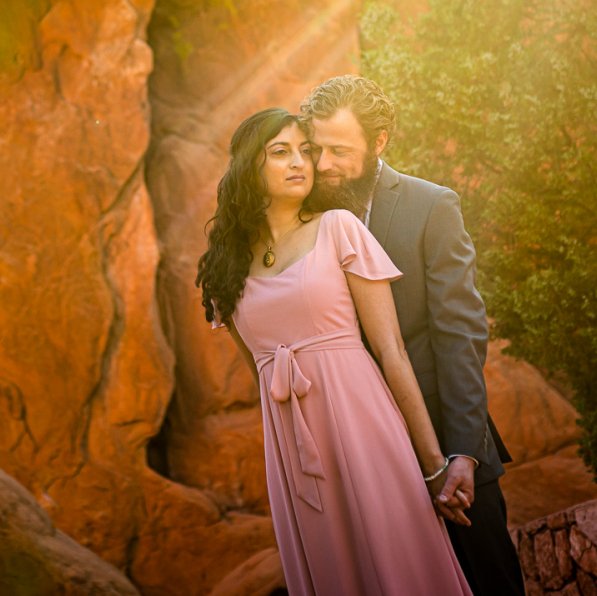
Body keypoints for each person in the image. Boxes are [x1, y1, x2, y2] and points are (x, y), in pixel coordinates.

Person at [196, 107, 474, 596]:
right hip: (295, 456)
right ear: (248, 168)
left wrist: (432, 466)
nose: (300, 162)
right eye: (280, 152)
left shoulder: (339, 227)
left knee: (402, 565)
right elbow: (263, 379)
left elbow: (392, 354)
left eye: (305, 151)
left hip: (365, 426)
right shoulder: (225, 270)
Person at [300, 76, 526, 596]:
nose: (324, 163)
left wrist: (464, 453)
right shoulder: (301, 214)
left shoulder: (432, 207)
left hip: (448, 443)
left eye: (340, 149)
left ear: (379, 143)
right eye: (317, 149)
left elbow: (460, 335)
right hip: (358, 451)